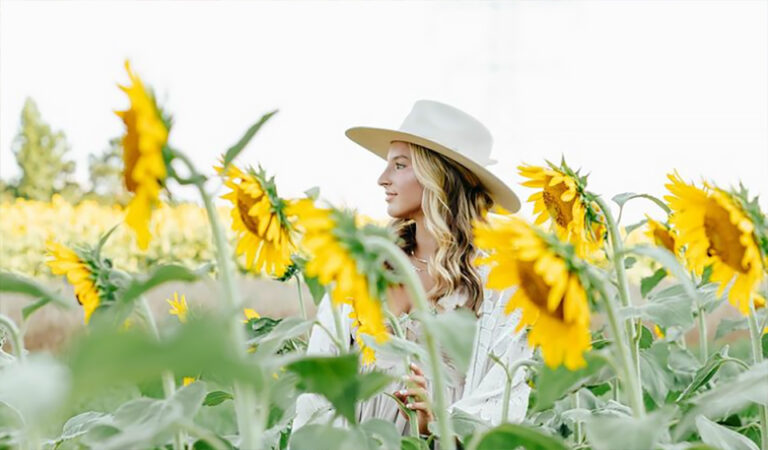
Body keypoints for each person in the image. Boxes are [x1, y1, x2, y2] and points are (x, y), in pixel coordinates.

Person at [292, 100, 532, 441]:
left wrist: (435, 424)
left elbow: (501, 399)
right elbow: (320, 370)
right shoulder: (367, 263)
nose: (382, 179)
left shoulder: (500, 283)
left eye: (400, 165)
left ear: (440, 176)